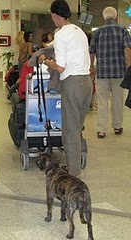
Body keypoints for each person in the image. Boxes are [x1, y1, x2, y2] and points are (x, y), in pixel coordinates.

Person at [37, 0, 92, 177]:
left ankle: (73, 175)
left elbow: (60, 67)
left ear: (54, 15)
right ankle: (73, 168)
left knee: (70, 133)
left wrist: (45, 61)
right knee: (77, 128)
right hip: (87, 84)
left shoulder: (61, 35)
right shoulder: (80, 31)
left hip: (73, 84)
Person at [89, 6, 131, 138]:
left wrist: (91, 66)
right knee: (117, 100)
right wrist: (129, 65)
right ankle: (117, 126)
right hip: (119, 72)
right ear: (116, 17)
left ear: (103, 18)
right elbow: (127, 50)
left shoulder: (97, 32)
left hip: (102, 72)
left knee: (102, 101)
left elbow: (91, 51)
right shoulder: (122, 30)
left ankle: (102, 130)